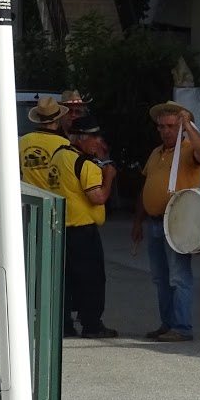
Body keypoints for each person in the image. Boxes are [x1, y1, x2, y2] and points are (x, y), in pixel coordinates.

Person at [132, 100, 200, 343]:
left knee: (178, 276)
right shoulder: (157, 153)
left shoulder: (188, 150)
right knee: (160, 277)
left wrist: (188, 124)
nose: (166, 131)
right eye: (162, 126)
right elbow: (145, 187)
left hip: (177, 223)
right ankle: (168, 324)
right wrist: (138, 221)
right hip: (155, 222)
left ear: (182, 128)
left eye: (172, 126)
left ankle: (181, 326)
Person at [59, 116, 118, 339]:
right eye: (94, 137)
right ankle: (92, 325)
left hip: (62, 226)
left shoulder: (59, 155)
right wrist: (109, 177)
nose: (98, 142)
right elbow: (98, 197)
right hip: (83, 229)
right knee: (92, 280)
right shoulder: (85, 165)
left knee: (65, 279)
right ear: (82, 138)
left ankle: (64, 324)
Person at [19, 95, 71, 193]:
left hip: (28, 195)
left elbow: (18, 169)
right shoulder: (65, 143)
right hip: (53, 197)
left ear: (38, 120)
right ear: (58, 120)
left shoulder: (23, 140)